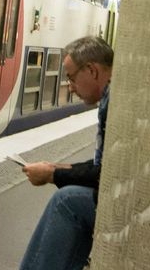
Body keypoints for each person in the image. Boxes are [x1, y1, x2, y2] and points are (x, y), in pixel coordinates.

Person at [19, 35, 113, 270]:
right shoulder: (112, 97)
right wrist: (57, 168)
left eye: (71, 78)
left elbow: (106, 174)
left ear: (91, 70)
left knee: (67, 201)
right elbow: (105, 166)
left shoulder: (113, 102)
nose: (70, 88)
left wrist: (53, 175)